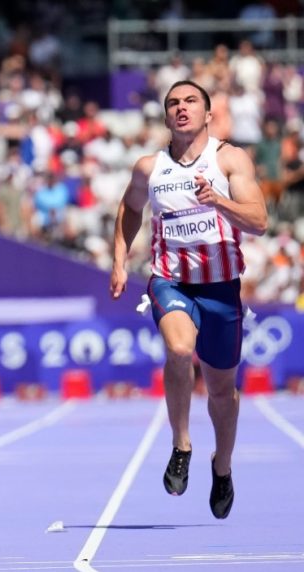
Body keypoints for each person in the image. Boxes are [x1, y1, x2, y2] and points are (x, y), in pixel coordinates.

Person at [110, 80, 268, 519]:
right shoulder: (150, 167)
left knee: (222, 391)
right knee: (179, 349)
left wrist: (217, 200)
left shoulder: (230, 159)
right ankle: (182, 445)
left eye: (190, 102)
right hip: (170, 281)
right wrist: (120, 261)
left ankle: (222, 466)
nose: (182, 109)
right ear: (166, 116)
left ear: (208, 113)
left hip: (221, 289)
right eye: (174, 104)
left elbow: (259, 221)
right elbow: (129, 208)